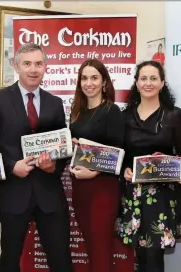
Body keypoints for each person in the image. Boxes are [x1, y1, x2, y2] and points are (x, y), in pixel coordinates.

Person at [0, 43, 72, 272]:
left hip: (49, 194)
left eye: (38, 63)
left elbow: (62, 148)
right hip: (13, 193)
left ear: (45, 67)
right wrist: (11, 166)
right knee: (10, 260)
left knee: (61, 259)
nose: (33, 69)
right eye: (27, 63)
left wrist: (53, 167)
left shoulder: (54, 103)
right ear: (16, 66)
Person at [117, 60, 181, 272]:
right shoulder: (125, 115)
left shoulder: (173, 114)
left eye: (153, 78)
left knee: (154, 255)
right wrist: (125, 170)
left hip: (163, 195)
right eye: (143, 78)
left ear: (162, 83)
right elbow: (121, 154)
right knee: (140, 254)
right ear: (137, 83)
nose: (148, 83)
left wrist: (167, 161)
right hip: (134, 193)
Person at [69, 59, 125, 271]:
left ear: (104, 82)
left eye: (94, 78)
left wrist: (93, 173)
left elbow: (118, 152)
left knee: (101, 246)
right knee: (90, 246)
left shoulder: (112, 111)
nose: (88, 83)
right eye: (84, 78)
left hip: (103, 187)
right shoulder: (77, 113)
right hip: (79, 187)